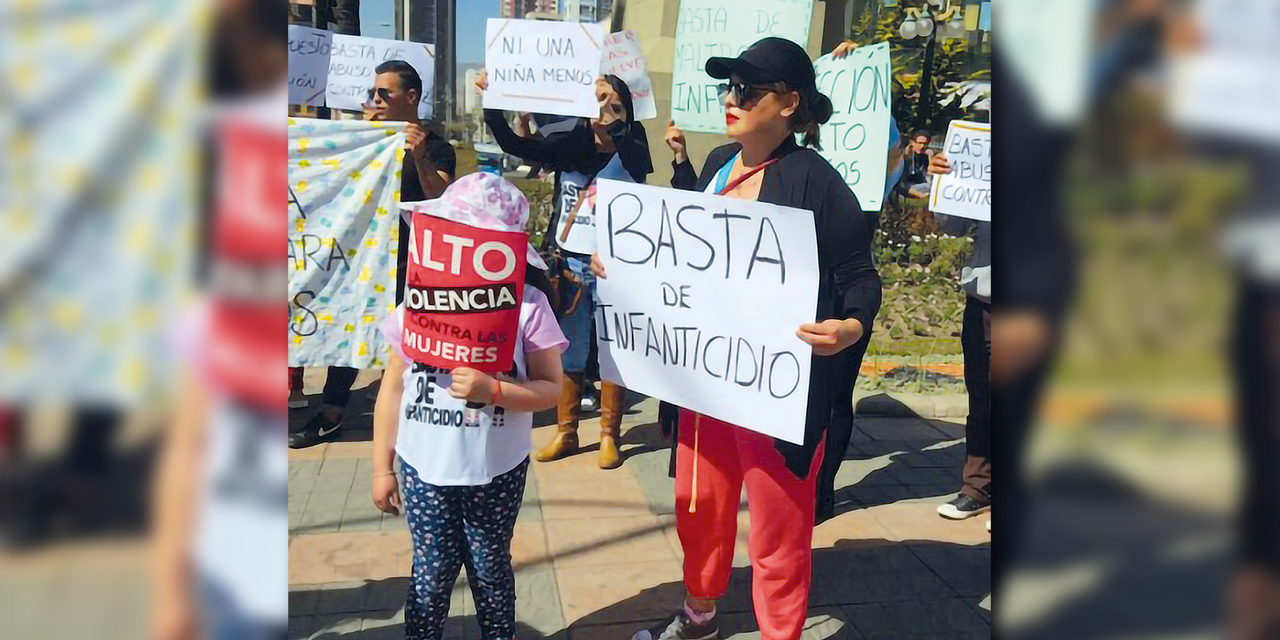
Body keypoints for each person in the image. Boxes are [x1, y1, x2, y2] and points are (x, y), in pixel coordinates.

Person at [613, 37, 881, 640]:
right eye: (728, 89)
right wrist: (627, 268)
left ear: (788, 103)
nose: (731, 101)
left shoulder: (817, 181)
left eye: (747, 90)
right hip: (707, 387)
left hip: (779, 396)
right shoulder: (715, 168)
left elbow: (860, 275)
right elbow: (679, 259)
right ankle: (699, 613)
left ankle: (779, 632)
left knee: (778, 528)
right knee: (699, 509)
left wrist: (851, 325)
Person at [370, 173, 567, 640]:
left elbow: (551, 389)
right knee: (431, 572)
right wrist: (382, 466)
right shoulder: (418, 300)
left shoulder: (528, 306)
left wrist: (494, 391)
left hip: (495, 468)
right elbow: (392, 389)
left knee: (490, 566)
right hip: (422, 465)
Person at [477, 72, 653, 469]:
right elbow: (518, 146)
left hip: (616, 269)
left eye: (613, 102)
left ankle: (610, 435)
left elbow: (639, 167)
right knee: (570, 351)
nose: (603, 108)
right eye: (596, 100)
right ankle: (567, 431)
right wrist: (493, 106)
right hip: (571, 265)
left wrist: (619, 126)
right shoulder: (569, 144)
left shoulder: (634, 144)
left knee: (613, 350)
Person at [289, 59, 457, 449]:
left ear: (411, 98)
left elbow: (442, 198)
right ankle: (331, 414)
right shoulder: (366, 142)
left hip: (410, 262)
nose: (375, 100)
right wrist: (360, 136)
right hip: (361, 260)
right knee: (350, 327)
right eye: (372, 93)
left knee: (414, 344)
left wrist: (418, 157)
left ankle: (419, 420)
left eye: (385, 93)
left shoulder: (436, 148)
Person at [925, 149, 993, 523]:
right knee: (981, 395)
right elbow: (953, 223)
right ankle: (977, 487)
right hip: (983, 300)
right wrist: (945, 180)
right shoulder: (985, 152)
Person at [897, 130, 934, 198]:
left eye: (925, 144)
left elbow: (930, 177)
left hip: (920, 186)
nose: (922, 146)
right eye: (919, 143)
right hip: (905, 188)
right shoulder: (904, 156)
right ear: (912, 142)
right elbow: (899, 182)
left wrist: (930, 157)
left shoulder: (924, 156)